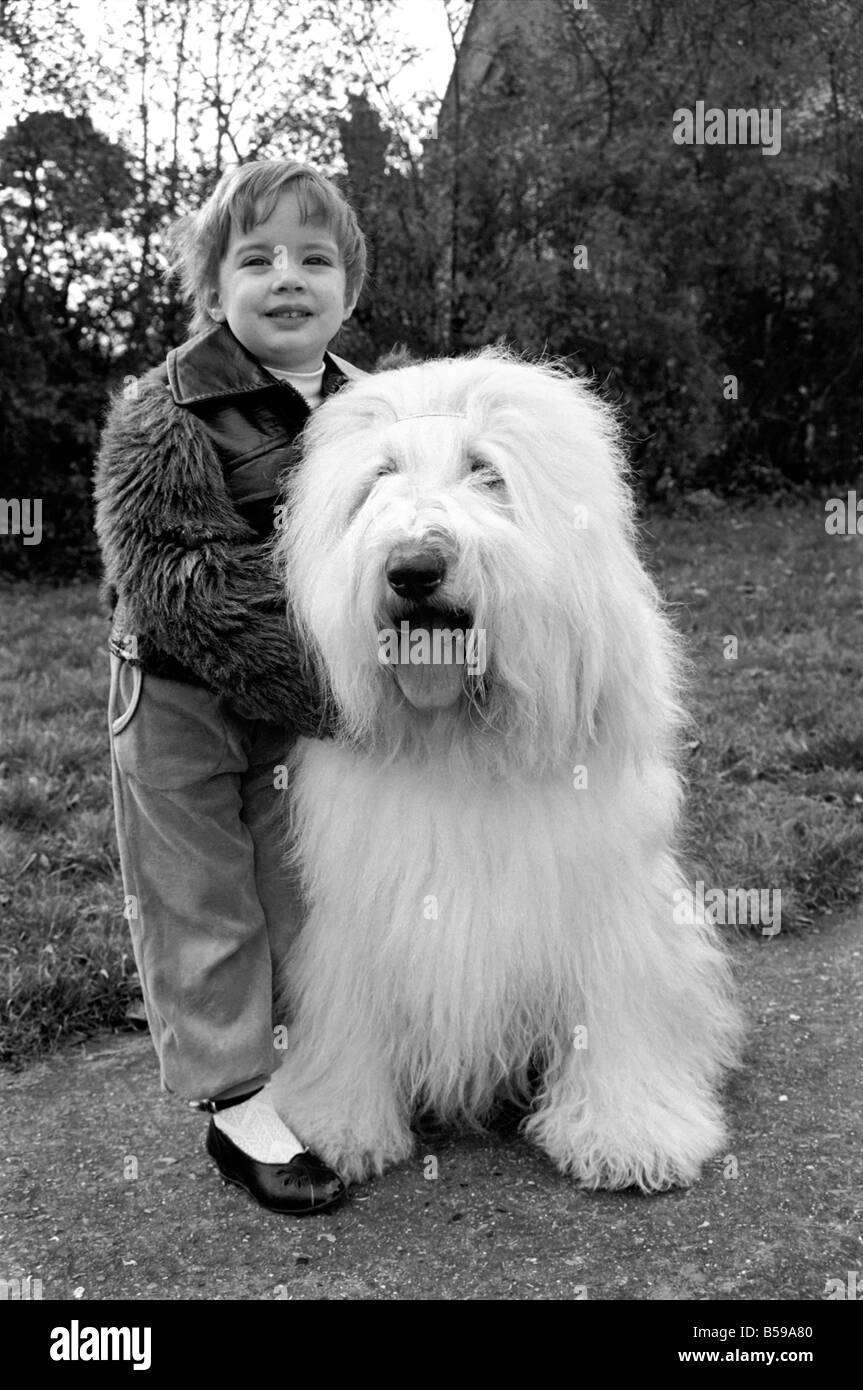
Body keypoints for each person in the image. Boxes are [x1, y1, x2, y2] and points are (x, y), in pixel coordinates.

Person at [93, 159, 367, 1215]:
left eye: (313, 257)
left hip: (298, 702)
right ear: (214, 285)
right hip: (181, 697)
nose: (285, 278)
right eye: (255, 259)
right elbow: (181, 581)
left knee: (301, 887)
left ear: (348, 285)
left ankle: (318, 1064)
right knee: (201, 896)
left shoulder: (372, 406)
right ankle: (235, 1101)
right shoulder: (165, 411)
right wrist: (346, 695)